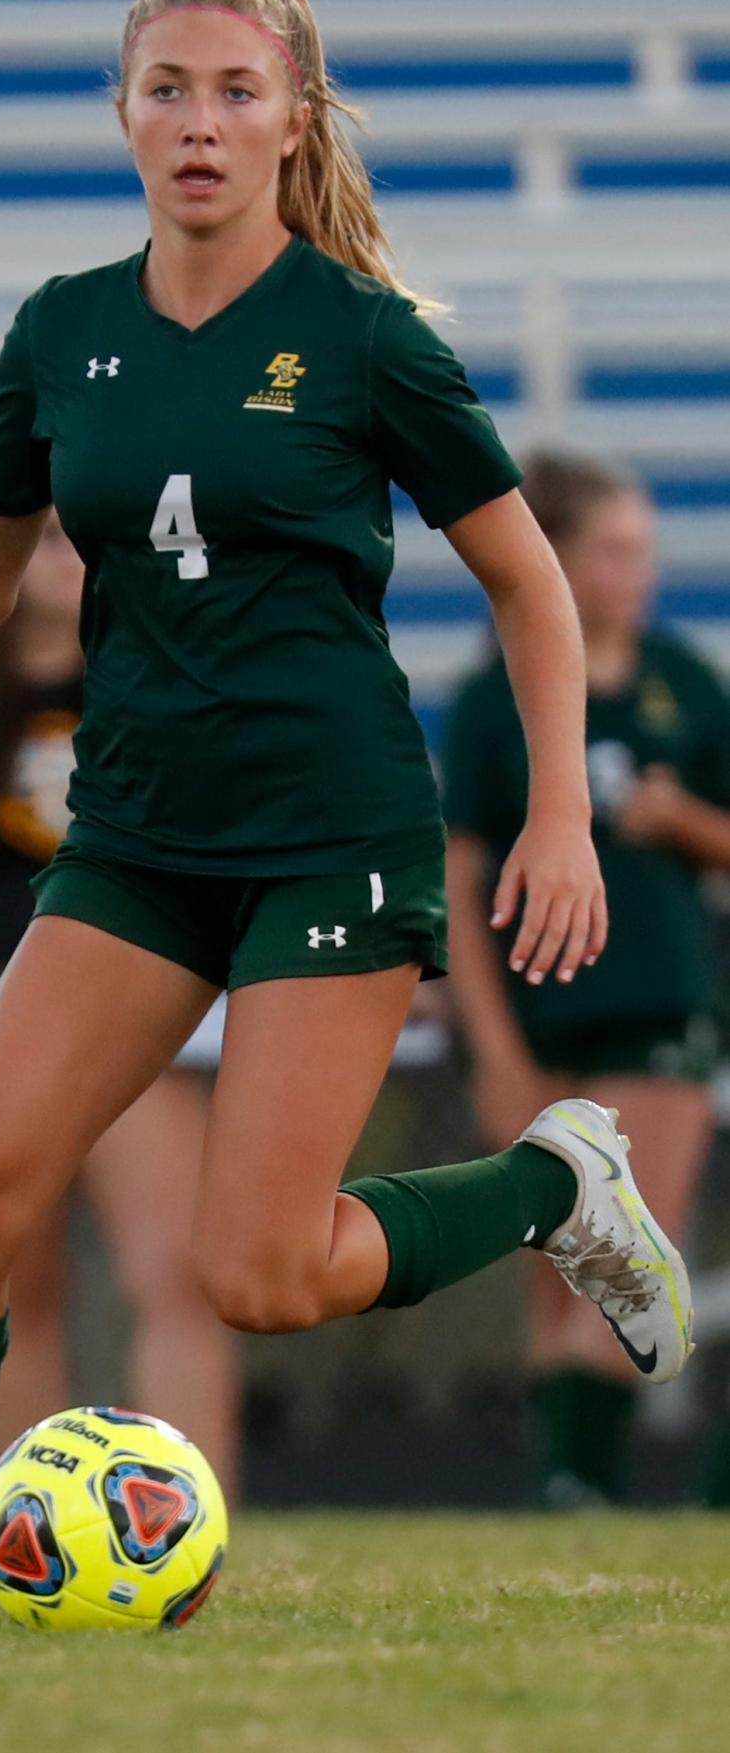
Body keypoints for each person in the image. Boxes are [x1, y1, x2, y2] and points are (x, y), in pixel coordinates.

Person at [0, 0, 693, 1624]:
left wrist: (558, 809)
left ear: (291, 117)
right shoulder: (62, 329)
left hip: (327, 838)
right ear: (122, 110)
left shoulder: (362, 337)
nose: (199, 121)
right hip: (133, 839)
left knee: (257, 1273)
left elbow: (533, 583)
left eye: (235, 91)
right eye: (168, 88)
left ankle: (557, 1180)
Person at [0, 514, 239, 1492]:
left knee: (176, 1273)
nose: (71, 563)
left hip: (130, 1006)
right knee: (11, 1285)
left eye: (89, 543)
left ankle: (188, 1510)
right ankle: (30, 1511)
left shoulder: (156, 689)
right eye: (49, 545)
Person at [444, 450, 730, 1507]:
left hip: (658, 1010)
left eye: (643, 550)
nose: (636, 571)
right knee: (561, 1284)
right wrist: (498, 1049)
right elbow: (461, 882)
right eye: (612, 549)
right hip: (541, 1017)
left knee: (627, 1261)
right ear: (550, 557)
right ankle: (576, 1488)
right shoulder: (491, 701)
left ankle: (576, 1484)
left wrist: (681, 821)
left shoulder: (683, 682)